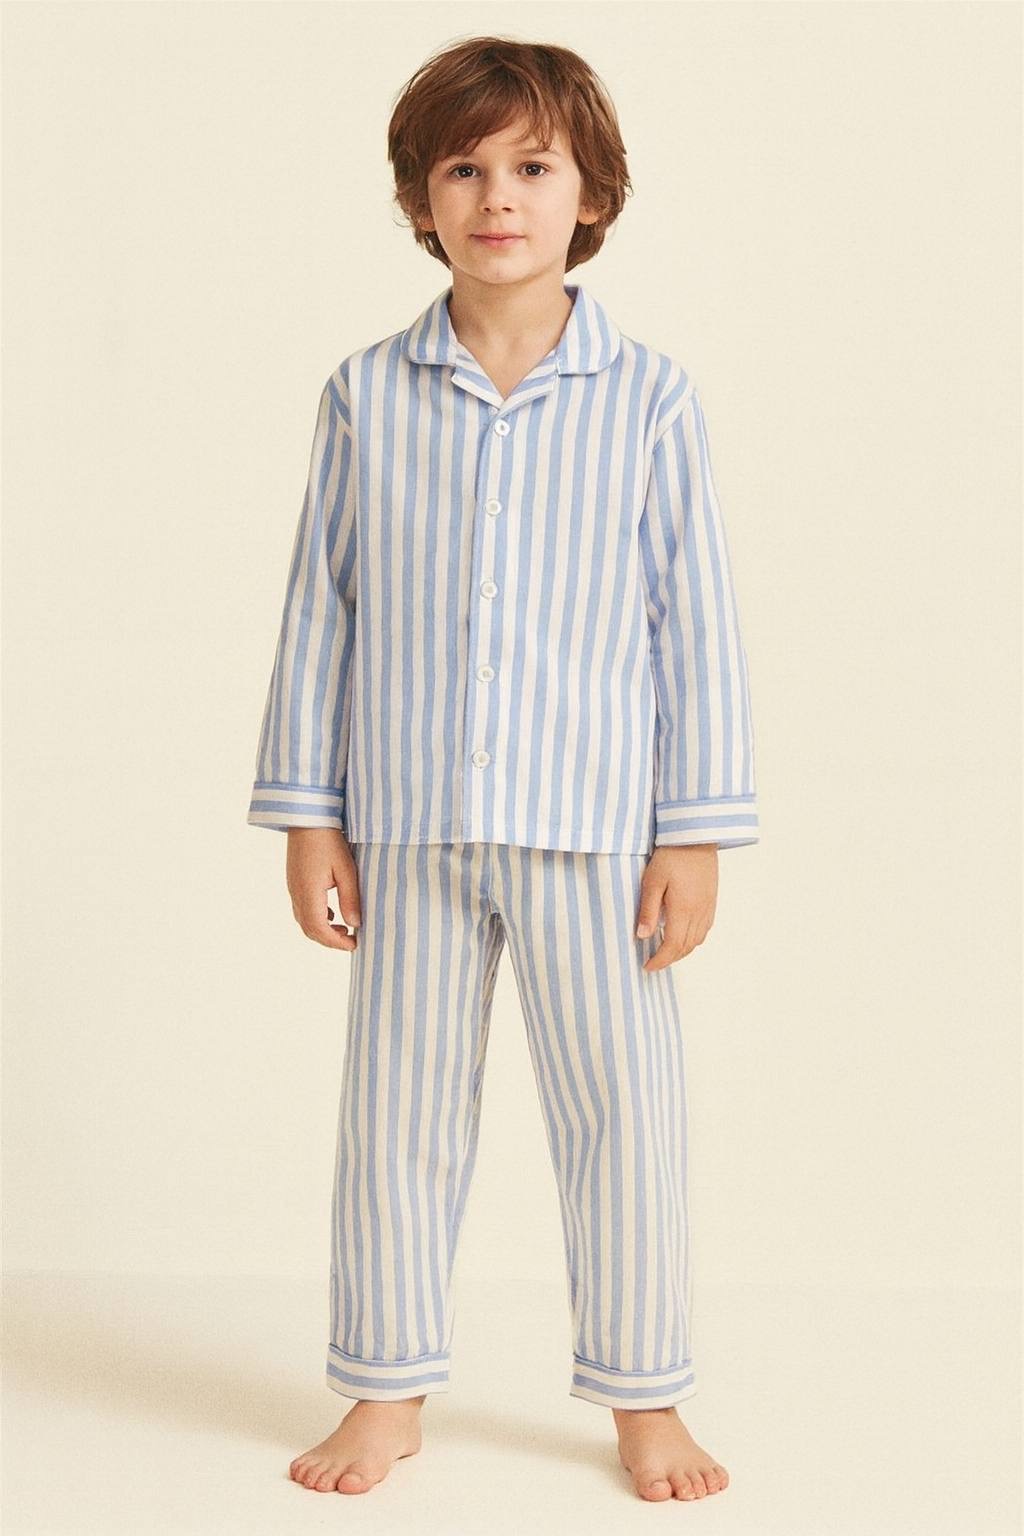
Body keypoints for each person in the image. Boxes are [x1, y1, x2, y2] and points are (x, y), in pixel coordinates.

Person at [247, 34, 759, 1504]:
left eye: (533, 166)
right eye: (464, 168)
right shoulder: (367, 393)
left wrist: (691, 834)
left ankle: (646, 1401)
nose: (498, 197)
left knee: (625, 1125)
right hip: (408, 822)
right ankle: (385, 1391)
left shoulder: (649, 399)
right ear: (421, 198)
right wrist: (311, 819)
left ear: (590, 193)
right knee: (396, 1122)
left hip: (595, 829)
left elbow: (694, 626)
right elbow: (319, 610)